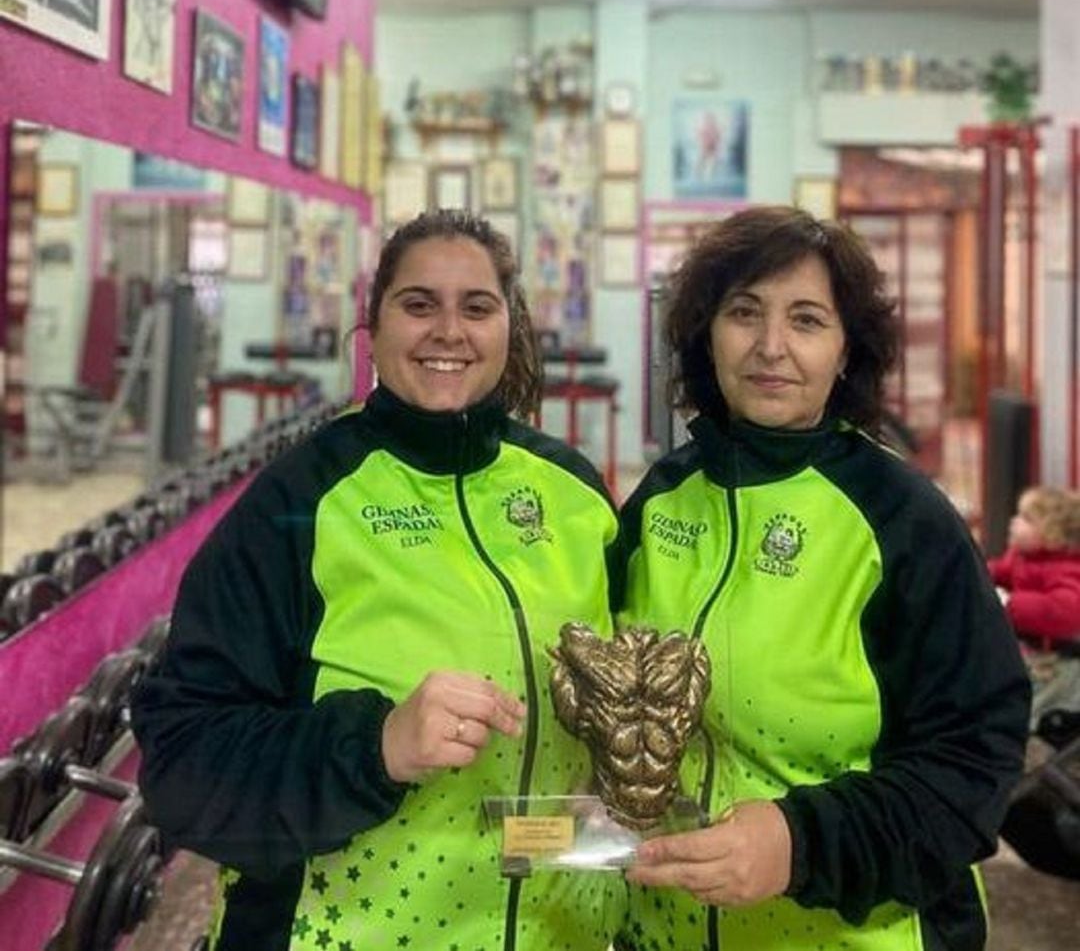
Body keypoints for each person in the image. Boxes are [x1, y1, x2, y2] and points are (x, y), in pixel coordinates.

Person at [131, 210, 625, 951]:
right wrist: (375, 747)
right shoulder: (300, 503)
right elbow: (182, 763)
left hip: (557, 929)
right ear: (375, 325)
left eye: (477, 307)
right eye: (419, 303)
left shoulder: (575, 492)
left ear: (509, 327)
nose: (448, 331)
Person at [615, 206, 1031, 951]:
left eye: (807, 321)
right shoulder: (660, 501)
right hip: (668, 931)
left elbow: (974, 761)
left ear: (846, 352)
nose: (771, 347)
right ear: (706, 334)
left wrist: (799, 843)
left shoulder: (901, 516)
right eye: (745, 313)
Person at [987, 485, 1080, 724]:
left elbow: (1064, 610)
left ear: (1052, 531)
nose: (1014, 522)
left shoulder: (1066, 567)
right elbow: (998, 572)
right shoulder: (1022, 557)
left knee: (1026, 712)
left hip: (1054, 662)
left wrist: (1010, 603)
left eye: (1026, 518)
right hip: (1026, 653)